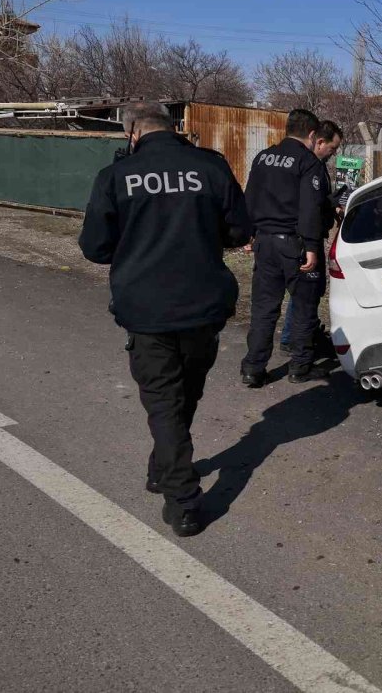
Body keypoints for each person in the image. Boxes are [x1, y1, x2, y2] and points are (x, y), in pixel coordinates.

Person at [78, 101, 252, 538]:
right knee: (182, 397)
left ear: (132, 133)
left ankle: (184, 501)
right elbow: (240, 230)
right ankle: (166, 471)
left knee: (163, 403)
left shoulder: (115, 177)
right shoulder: (209, 167)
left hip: (147, 309)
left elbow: (95, 248)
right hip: (202, 307)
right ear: (172, 128)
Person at [240, 109, 327, 387]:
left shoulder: (263, 157)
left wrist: (248, 233)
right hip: (295, 244)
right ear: (312, 135)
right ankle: (300, 367)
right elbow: (309, 208)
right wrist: (312, 245)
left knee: (264, 307)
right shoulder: (307, 161)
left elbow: (249, 196)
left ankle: (253, 369)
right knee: (303, 306)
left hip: (264, 242)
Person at [279, 120, 344, 364]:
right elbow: (307, 205)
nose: (333, 154)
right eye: (332, 149)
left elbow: (318, 199)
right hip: (304, 239)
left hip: (310, 235)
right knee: (304, 293)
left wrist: (332, 205)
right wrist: (310, 245)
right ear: (319, 142)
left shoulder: (316, 166)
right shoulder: (306, 166)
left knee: (309, 293)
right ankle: (292, 340)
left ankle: (300, 336)